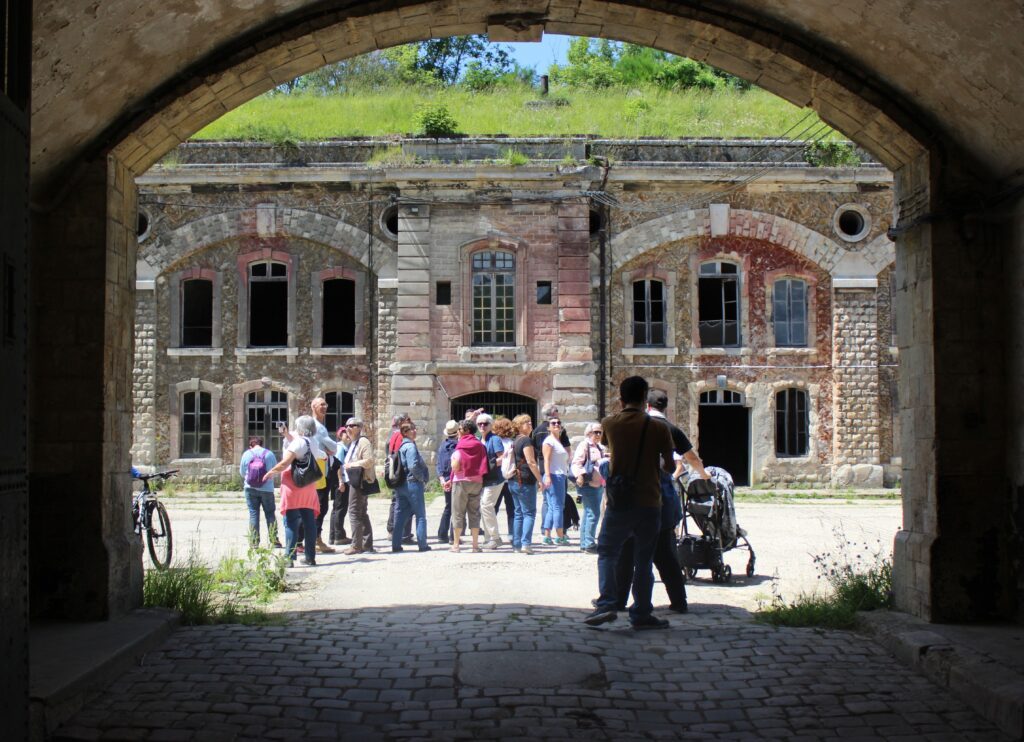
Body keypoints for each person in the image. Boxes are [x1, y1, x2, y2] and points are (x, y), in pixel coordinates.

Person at [584, 376, 676, 630]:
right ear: (645, 397)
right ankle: (641, 613)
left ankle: (607, 603)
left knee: (607, 553)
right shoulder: (660, 428)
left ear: (620, 398)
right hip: (649, 500)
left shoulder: (610, 423)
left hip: (619, 500)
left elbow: (608, 447)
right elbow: (669, 466)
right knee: (644, 561)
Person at [613, 389, 710, 614]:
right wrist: (704, 475)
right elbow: (691, 458)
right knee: (665, 554)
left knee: (627, 551)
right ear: (664, 407)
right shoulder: (671, 428)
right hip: (661, 497)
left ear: (647, 406)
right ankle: (679, 601)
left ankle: (617, 600)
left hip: (632, 496)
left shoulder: (634, 425)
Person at [261, 415, 322, 567]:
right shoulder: (313, 442)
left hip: (293, 486)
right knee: (309, 523)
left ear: (300, 428)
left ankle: (289, 557)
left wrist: (270, 473)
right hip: (308, 486)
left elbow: (284, 463)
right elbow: (322, 455)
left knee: (291, 522)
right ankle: (310, 556)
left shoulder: (298, 442)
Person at [533, 403, 579, 532]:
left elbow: (535, 451)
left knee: (547, 502)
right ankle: (560, 530)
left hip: (543, 468)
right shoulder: (559, 432)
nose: (557, 423)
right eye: (557, 411)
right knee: (559, 502)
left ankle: (545, 529)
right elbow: (568, 450)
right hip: (556, 470)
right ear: (552, 414)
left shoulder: (536, 431)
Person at [391, 421, 432, 553]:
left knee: (401, 515)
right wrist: (421, 479)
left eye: (414, 429)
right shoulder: (410, 447)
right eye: (411, 429)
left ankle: (396, 544)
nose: (415, 431)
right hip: (412, 483)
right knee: (420, 515)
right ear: (405, 433)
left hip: (401, 485)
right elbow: (413, 466)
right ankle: (422, 544)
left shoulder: (402, 446)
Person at [449, 419, 488, 553]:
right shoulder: (480, 445)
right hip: (477, 481)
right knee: (474, 513)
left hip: (461, 481)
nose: (458, 432)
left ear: (466, 431)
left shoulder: (460, 446)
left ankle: (456, 545)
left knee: (458, 513)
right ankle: (475, 545)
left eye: (459, 429)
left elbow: (455, 465)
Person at [341, 417, 377, 555]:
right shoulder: (354, 443)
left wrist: (352, 464)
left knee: (355, 512)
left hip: (359, 482)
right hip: (354, 480)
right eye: (346, 426)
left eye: (352, 425)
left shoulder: (363, 442)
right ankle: (366, 544)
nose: (348, 428)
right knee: (361, 513)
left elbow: (369, 461)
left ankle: (356, 545)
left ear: (359, 427)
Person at [508, 414, 542, 555]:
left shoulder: (515, 440)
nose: (530, 424)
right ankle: (526, 544)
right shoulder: (526, 440)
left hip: (514, 480)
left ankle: (517, 544)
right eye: (526, 422)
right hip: (525, 480)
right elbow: (531, 462)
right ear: (519, 426)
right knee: (529, 513)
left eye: (530, 421)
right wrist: (540, 479)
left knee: (518, 513)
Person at [240, 436, 281, 548]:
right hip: (266, 489)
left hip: (250, 488)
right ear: (261, 444)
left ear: (250, 445)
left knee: (253, 513)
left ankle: (254, 542)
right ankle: (274, 540)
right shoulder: (269, 454)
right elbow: (275, 470)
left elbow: (242, 473)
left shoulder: (246, 454)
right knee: (270, 513)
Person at [572, 423, 607, 554]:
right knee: (593, 514)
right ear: (589, 433)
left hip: (597, 484)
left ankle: (585, 543)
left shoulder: (598, 446)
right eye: (596, 432)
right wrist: (580, 475)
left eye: (600, 432)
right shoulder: (584, 445)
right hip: (588, 484)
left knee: (588, 513)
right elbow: (576, 462)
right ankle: (589, 544)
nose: (598, 435)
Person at [310, 397, 338, 555]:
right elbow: (333, 446)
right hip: (320, 472)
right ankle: (316, 539)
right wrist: (331, 447)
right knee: (321, 506)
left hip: (317, 471)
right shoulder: (318, 427)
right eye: (321, 404)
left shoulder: (314, 425)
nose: (325, 407)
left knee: (316, 506)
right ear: (313, 407)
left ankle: (310, 538)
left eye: (326, 404)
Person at [477, 413, 506, 549]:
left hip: (494, 478)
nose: (482, 426)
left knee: (486, 506)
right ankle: (488, 538)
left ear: (490, 425)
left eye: (485, 423)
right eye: (480, 424)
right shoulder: (478, 439)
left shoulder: (494, 439)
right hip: (484, 479)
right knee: (484, 507)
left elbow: (502, 458)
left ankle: (495, 537)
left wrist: (487, 467)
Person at [540, 417, 570, 546]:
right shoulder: (549, 441)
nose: (556, 424)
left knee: (553, 507)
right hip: (554, 476)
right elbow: (546, 459)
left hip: (558, 475)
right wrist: (547, 476)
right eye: (553, 423)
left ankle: (547, 536)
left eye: (558, 422)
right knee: (558, 506)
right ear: (549, 427)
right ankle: (560, 536)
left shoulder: (557, 441)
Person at [386, 413, 415, 545]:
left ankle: (393, 530)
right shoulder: (399, 436)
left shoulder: (393, 435)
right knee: (403, 504)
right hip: (402, 473)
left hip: (396, 472)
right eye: (408, 421)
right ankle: (402, 534)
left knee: (395, 502)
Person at [490, 417, 517, 537]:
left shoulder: (494, 441)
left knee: (493, 508)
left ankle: (492, 534)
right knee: (511, 509)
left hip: (497, 477)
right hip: (510, 478)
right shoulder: (512, 442)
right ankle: (512, 534)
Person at [435, 419, 459, 544]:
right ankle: (452, 537)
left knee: (448, 507)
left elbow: (439, 463)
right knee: (456, 508)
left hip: (445, 479)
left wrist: (441, 479)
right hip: (454, 479)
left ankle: (442, 534)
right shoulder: (457, 446)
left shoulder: (442, 445)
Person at [327, 426, 352, 546]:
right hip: (341, 481)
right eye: (345, 433)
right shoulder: (341, 448)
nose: (348, 435)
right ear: (340, 435)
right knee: (340, 508)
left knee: (336, 508)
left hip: (338, 481)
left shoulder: (342, 447)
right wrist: (341, 481)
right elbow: (338, 466)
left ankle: (333, 536)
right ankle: (339, 536)